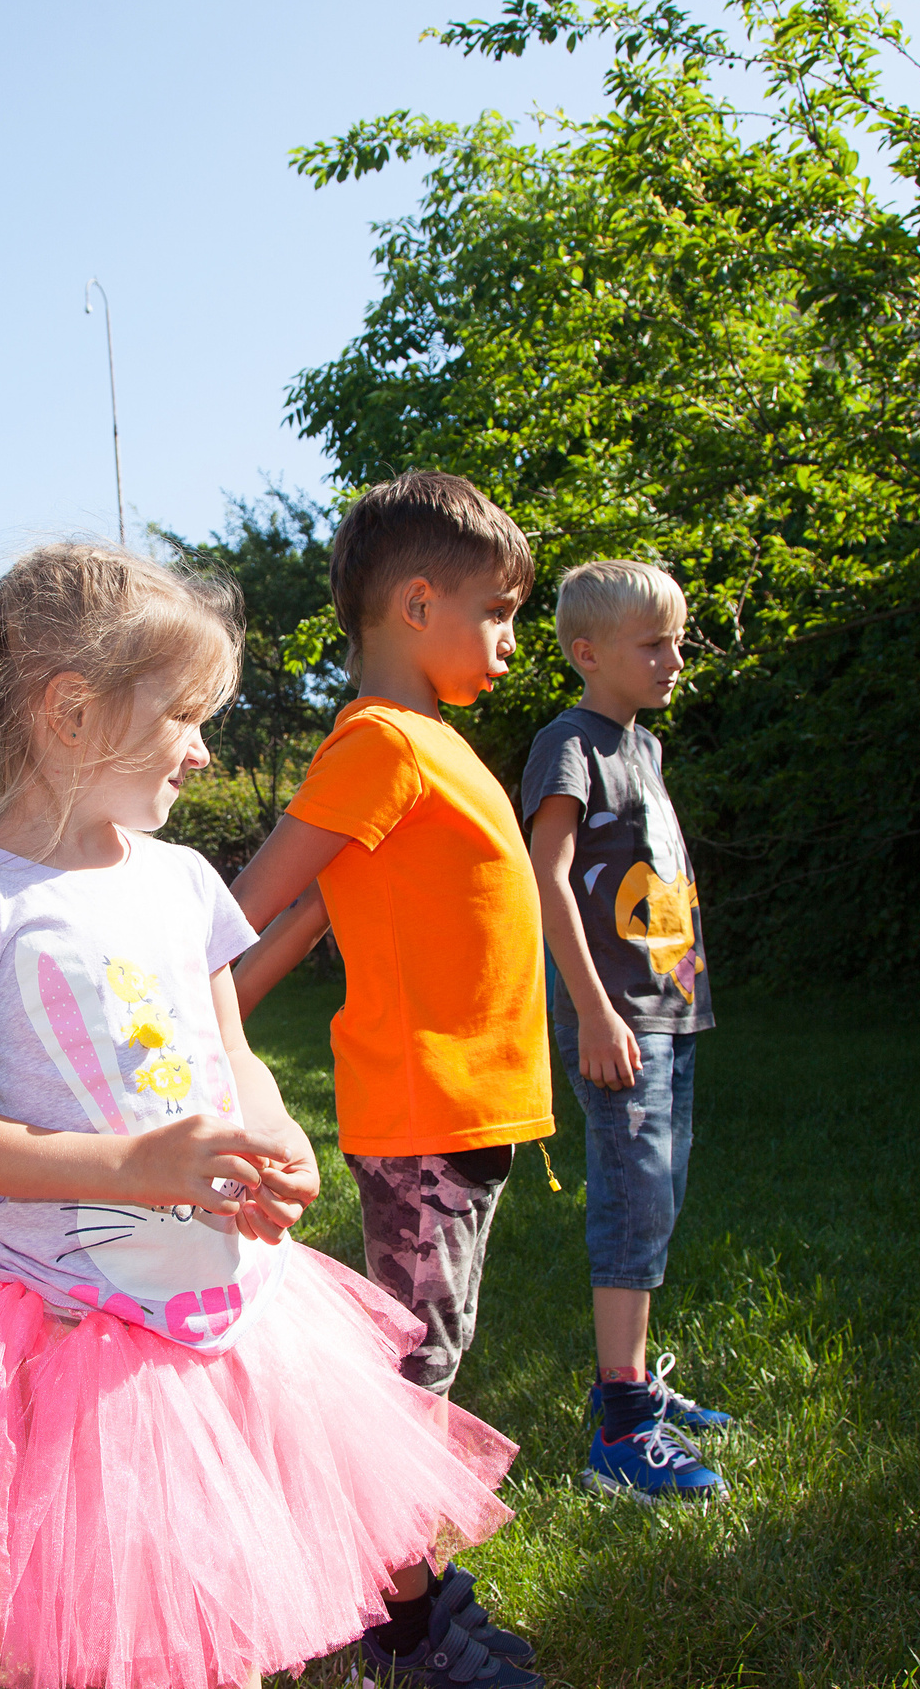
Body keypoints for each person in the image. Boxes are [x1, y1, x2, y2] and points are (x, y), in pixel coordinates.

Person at [0, 542, 539, 1689]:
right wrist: (134, 1161)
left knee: (322, 1468)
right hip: (84, 1321)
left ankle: (411, 1627)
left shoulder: (181, 879)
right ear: (72, 711)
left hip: (238, 1282)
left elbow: (233, 1054)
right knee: (132, 1572)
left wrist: (274, 1136)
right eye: (184, 716)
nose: (202, 749)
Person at [227, 472, 552, 1414]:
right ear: (418, 603)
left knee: (428, 1354)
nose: (509, 640)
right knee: (413, 1368)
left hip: (462, 1116)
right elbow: (249, 903)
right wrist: (180, 1012)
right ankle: (390, 1562)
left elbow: (315, 911)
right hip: (425, 1118)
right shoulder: (384, 745)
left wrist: (230, 1007)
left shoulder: (426, 740)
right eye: (496, 611)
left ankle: (393, 1559)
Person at [518, 557, 731, 1502]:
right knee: (632, 1203)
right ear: (586, 652)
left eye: (677, 639)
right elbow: (546, 875)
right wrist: (595, 1009)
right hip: (619, 1017)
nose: (675, 658)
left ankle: (639, 1379)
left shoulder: (642, 747)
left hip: (669, 1008)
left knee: (662, 1195)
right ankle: (621, 1429)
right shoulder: (572, 743)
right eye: (655, 643)